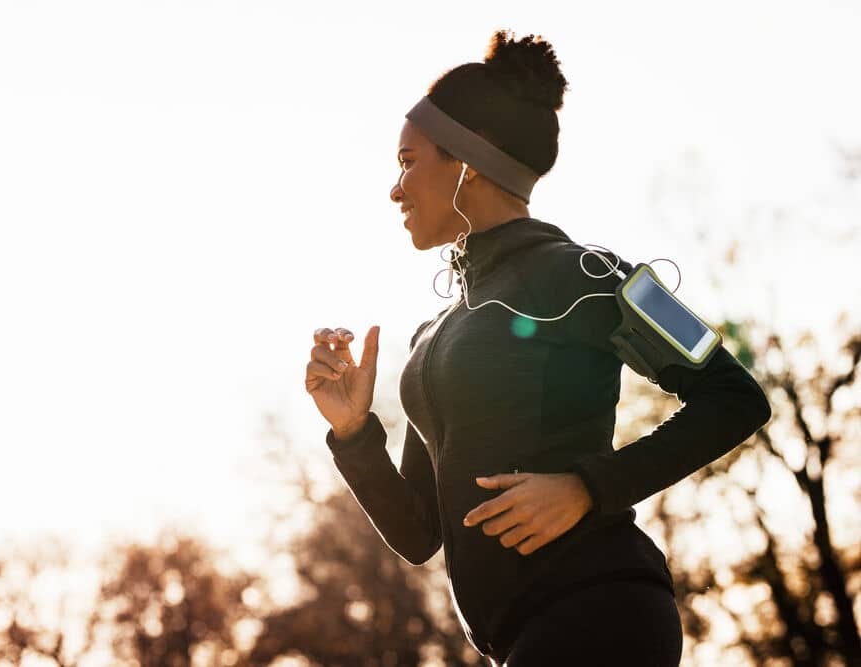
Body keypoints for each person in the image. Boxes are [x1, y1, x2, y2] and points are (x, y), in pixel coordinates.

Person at [304, 29, 771, 666]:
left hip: (603, 613)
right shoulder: (432, 337)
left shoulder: (597, 276)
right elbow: (417, 534)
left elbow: (736, 396)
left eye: (409, 161)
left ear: (467, 163)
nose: (396, 188)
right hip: (521, 640)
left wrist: (589, 486)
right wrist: (355, 432)